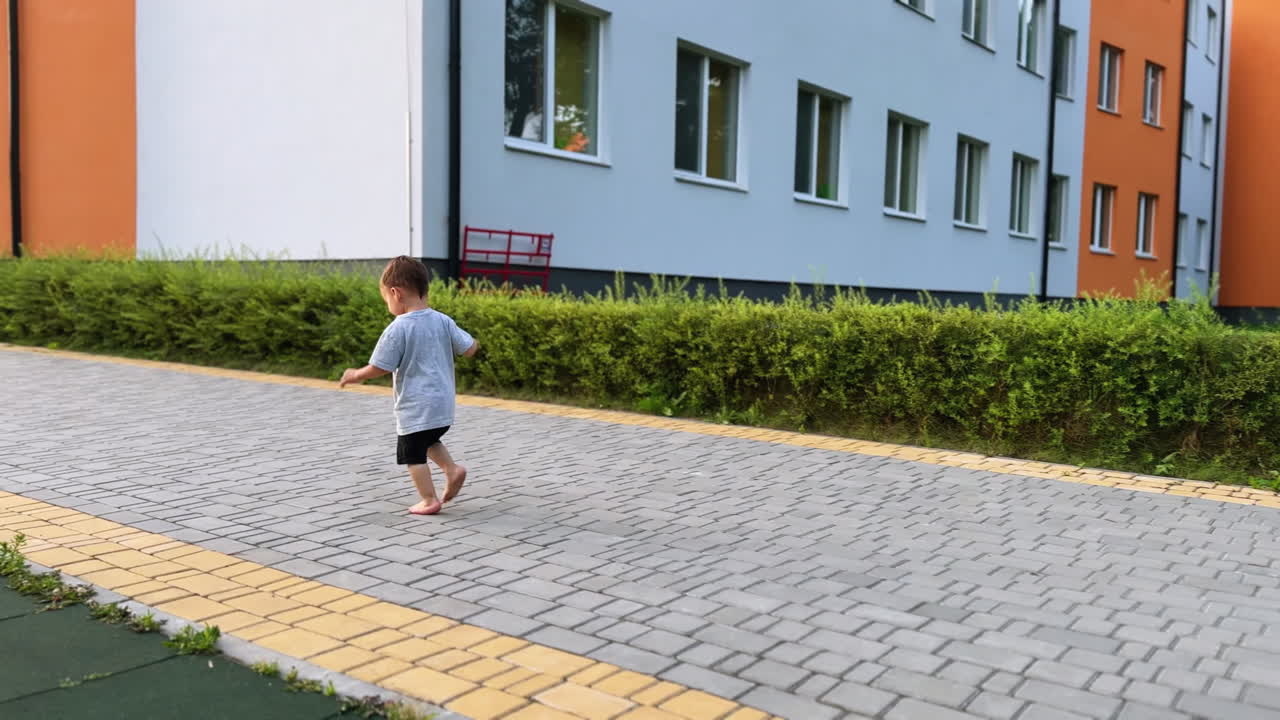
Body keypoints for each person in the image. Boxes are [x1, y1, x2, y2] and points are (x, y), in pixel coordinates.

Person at [339, 256, 478, 515]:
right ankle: (452, 469)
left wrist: (356, 374)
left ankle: (429, 499)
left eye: (386, 299)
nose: (388, 305)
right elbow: (469, 348)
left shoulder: (398, 328)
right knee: (429, 438)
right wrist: (471, 344)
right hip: (443, 405)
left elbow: (381, 366)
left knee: (412, 454)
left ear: (396, 293)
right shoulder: (443, 320)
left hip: (416, 405)